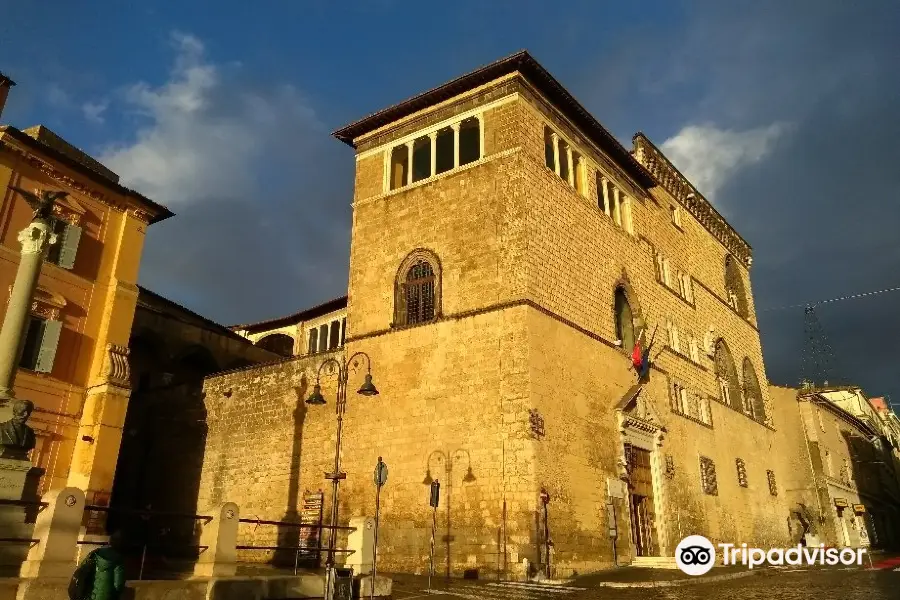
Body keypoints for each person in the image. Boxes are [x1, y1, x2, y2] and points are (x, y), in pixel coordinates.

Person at [71, 530, 127, 600]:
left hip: (89, 594)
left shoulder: (95, 553)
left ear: (110, 541)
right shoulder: (118, 559)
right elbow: (118, 585)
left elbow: (82, 569)